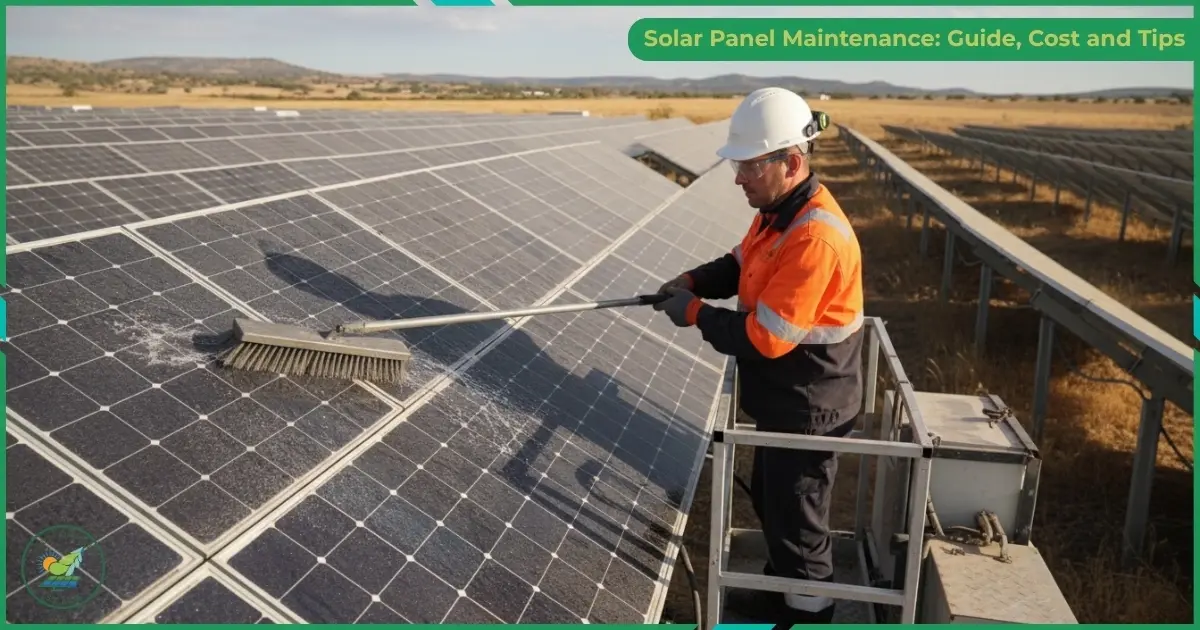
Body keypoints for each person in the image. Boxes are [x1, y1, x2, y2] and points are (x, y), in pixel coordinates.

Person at [652, 87, 864, 624]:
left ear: (791, 162)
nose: (738, 178)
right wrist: (694, 281)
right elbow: (740, 262)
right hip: (786, 398)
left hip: (810, 405)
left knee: (798, 521)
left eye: (749, 166)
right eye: (738, 166)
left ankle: (808, 613)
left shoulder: (814, 236)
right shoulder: (777, 213)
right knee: (775, 501)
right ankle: (781, 594)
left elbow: (767, 336)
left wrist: (694, 313)